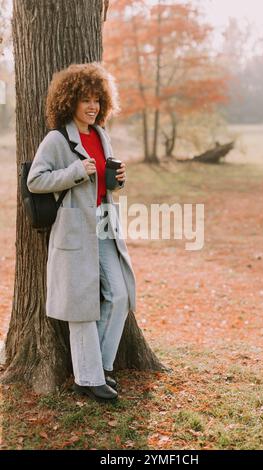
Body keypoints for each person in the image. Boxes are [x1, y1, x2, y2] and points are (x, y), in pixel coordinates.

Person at [27, 62, 137, 402]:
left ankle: (100, 367)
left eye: (97, 100)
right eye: (85, 100)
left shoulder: (101, 135)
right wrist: (76, 170)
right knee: (81, 304)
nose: (92, 107)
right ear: (70, 101)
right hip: (74, 229)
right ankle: (88, 379)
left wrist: (117, 181)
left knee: (119, 295)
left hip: (104, 222)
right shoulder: (57, 139)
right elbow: (35, 180)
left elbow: (104, 184)